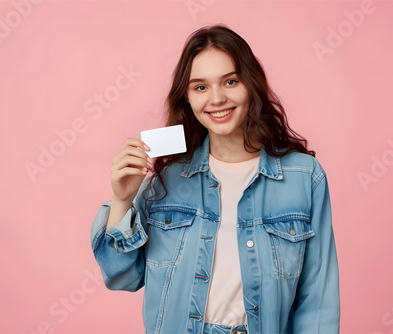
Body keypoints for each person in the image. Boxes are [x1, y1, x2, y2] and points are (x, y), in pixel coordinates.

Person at [90, 24, 340, 334]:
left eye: (230, 81)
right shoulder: (165, 179)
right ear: (187, 98)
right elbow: (121, 277)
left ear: (251, 85)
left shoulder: (303, 177)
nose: (217, 98)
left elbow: (318, 302)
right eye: (201, 87)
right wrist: (122, 200)